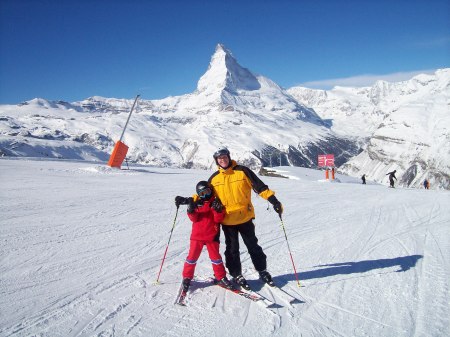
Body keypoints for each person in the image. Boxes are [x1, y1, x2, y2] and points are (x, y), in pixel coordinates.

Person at [207, 148, 283, 290]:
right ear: (216, 161)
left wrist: (274, 201)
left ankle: (262, 271)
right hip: (228, 221)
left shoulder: (242, 171)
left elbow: (260, 187)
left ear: (229, 157)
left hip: (245, 218)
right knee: (232, 249)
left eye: (224, 157)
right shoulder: (214, 179)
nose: (222, 160)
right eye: (219, 158)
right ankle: (236, 274)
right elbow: (203, 195)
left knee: (253, 246)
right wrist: (189, 201)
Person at [175, 181, 233, 292]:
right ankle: (187, 277)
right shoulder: (197, 203)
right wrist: (190, 210)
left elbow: (218, 219)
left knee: (216, 258)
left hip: (212, 236)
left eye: (207, 192)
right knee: (191, 258)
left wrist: (218, 210)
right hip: (197, 236)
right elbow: (194, 219)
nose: (206, 195)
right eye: (202, 194)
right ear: (199, 194)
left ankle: (220, 277)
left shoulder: (216, 202)